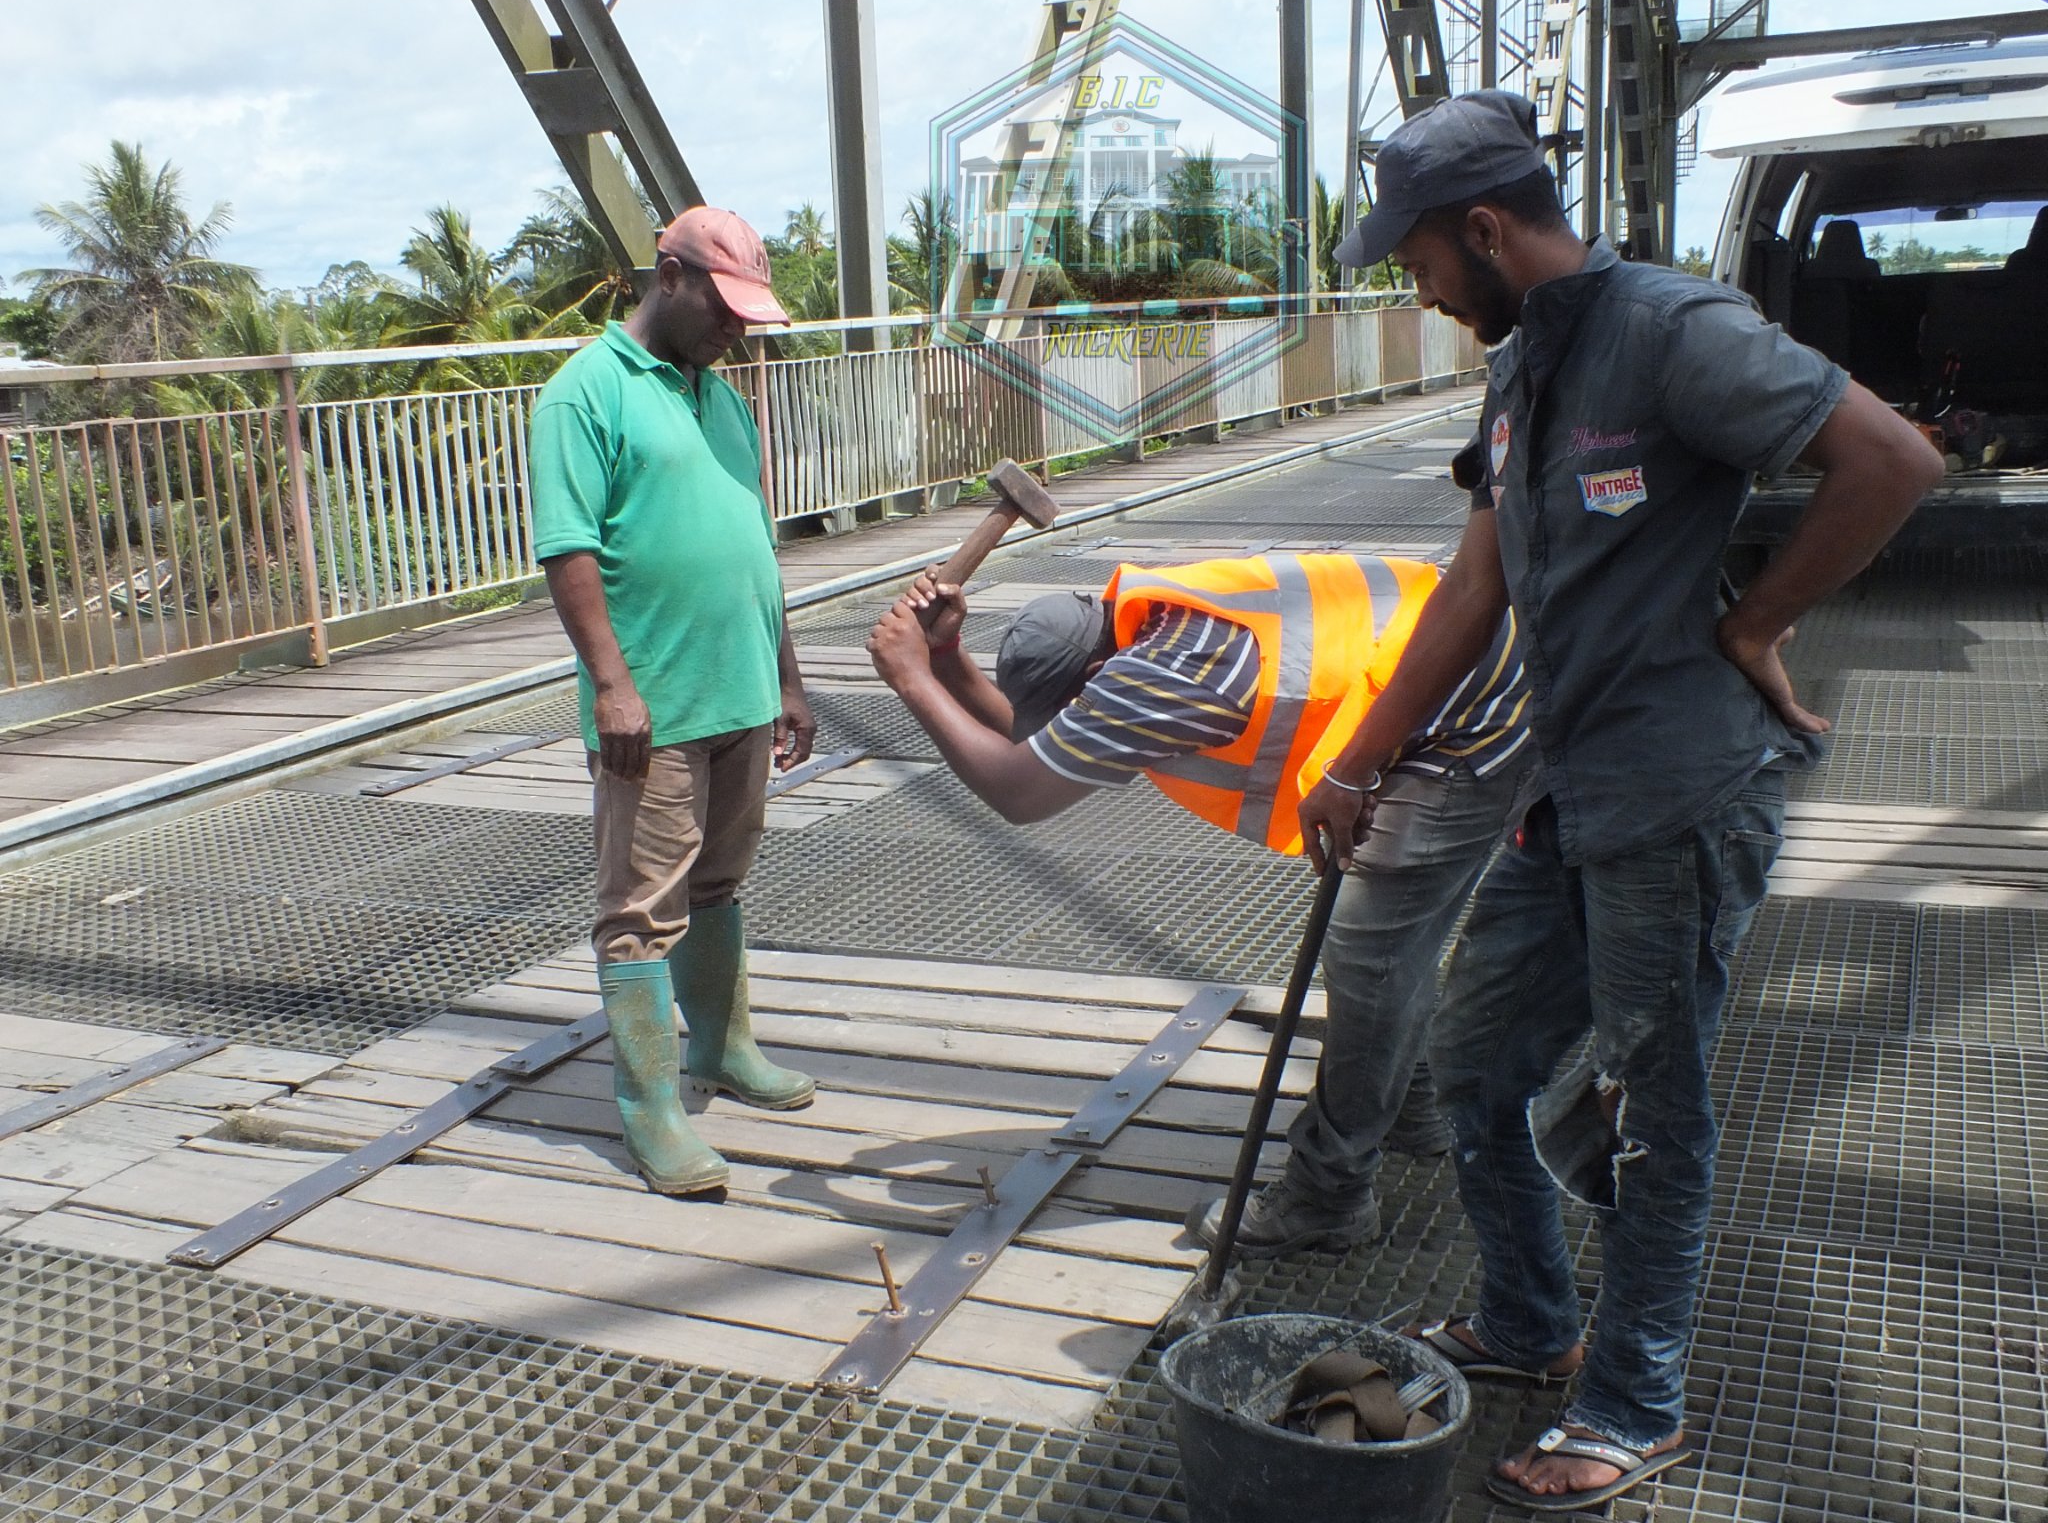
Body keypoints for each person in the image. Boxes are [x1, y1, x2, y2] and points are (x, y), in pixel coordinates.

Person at [1298, 90, 1943, 1510]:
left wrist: (1757, 622)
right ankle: (1528, 1319)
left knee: (1656, 1112)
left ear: (1481, 229)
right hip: (1568, 787)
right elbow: (1478, 588)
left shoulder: (1672, 330)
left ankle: (1635, 1401)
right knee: (1479, 1066)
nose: (1414, 288)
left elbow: (1892, 461)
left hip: (1681, 794)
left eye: (1415, 261)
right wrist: (1355, 763)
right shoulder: (1522, 363)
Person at [866, 547, 1534, 1255]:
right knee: (1400, 939)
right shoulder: (1148, 617)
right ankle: (1409, 1106)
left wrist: (909, 678)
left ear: (1098, 678)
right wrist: (945, 660)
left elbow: (1018, 787)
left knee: (1369, 952)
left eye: (1083, 706)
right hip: (1460, 665)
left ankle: (1329, 1195)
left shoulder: (1163, 682)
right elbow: (1039, 745)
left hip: (1482, 710)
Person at [529, 206, 819, 1199]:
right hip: (650, 703)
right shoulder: (585, 394)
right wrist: (610, 684)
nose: (736, 329)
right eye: (725, 308)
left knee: (719, 885)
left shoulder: (721, 397)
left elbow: (753, 541)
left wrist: (786, 677)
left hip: (739, 685)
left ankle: (720, 1050)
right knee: (640, 909)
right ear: (670, 277)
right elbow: (566, 547)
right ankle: (650, 1108)